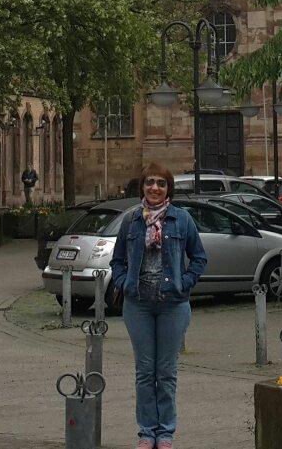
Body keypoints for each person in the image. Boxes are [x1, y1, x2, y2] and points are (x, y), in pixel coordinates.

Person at [108, 163, 207, 449]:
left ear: (168, 189)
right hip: (137, 304)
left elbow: (199, 258)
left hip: (172, 304)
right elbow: (117, 260)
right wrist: (125, 282)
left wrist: (183, 283)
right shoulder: (131, 221)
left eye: (161, 183)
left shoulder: (182, 220)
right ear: (142, 186)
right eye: (150, 182)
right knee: (144, 371)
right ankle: (145, 432)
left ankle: (165, 433)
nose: (154, 187)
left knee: (166, 371)